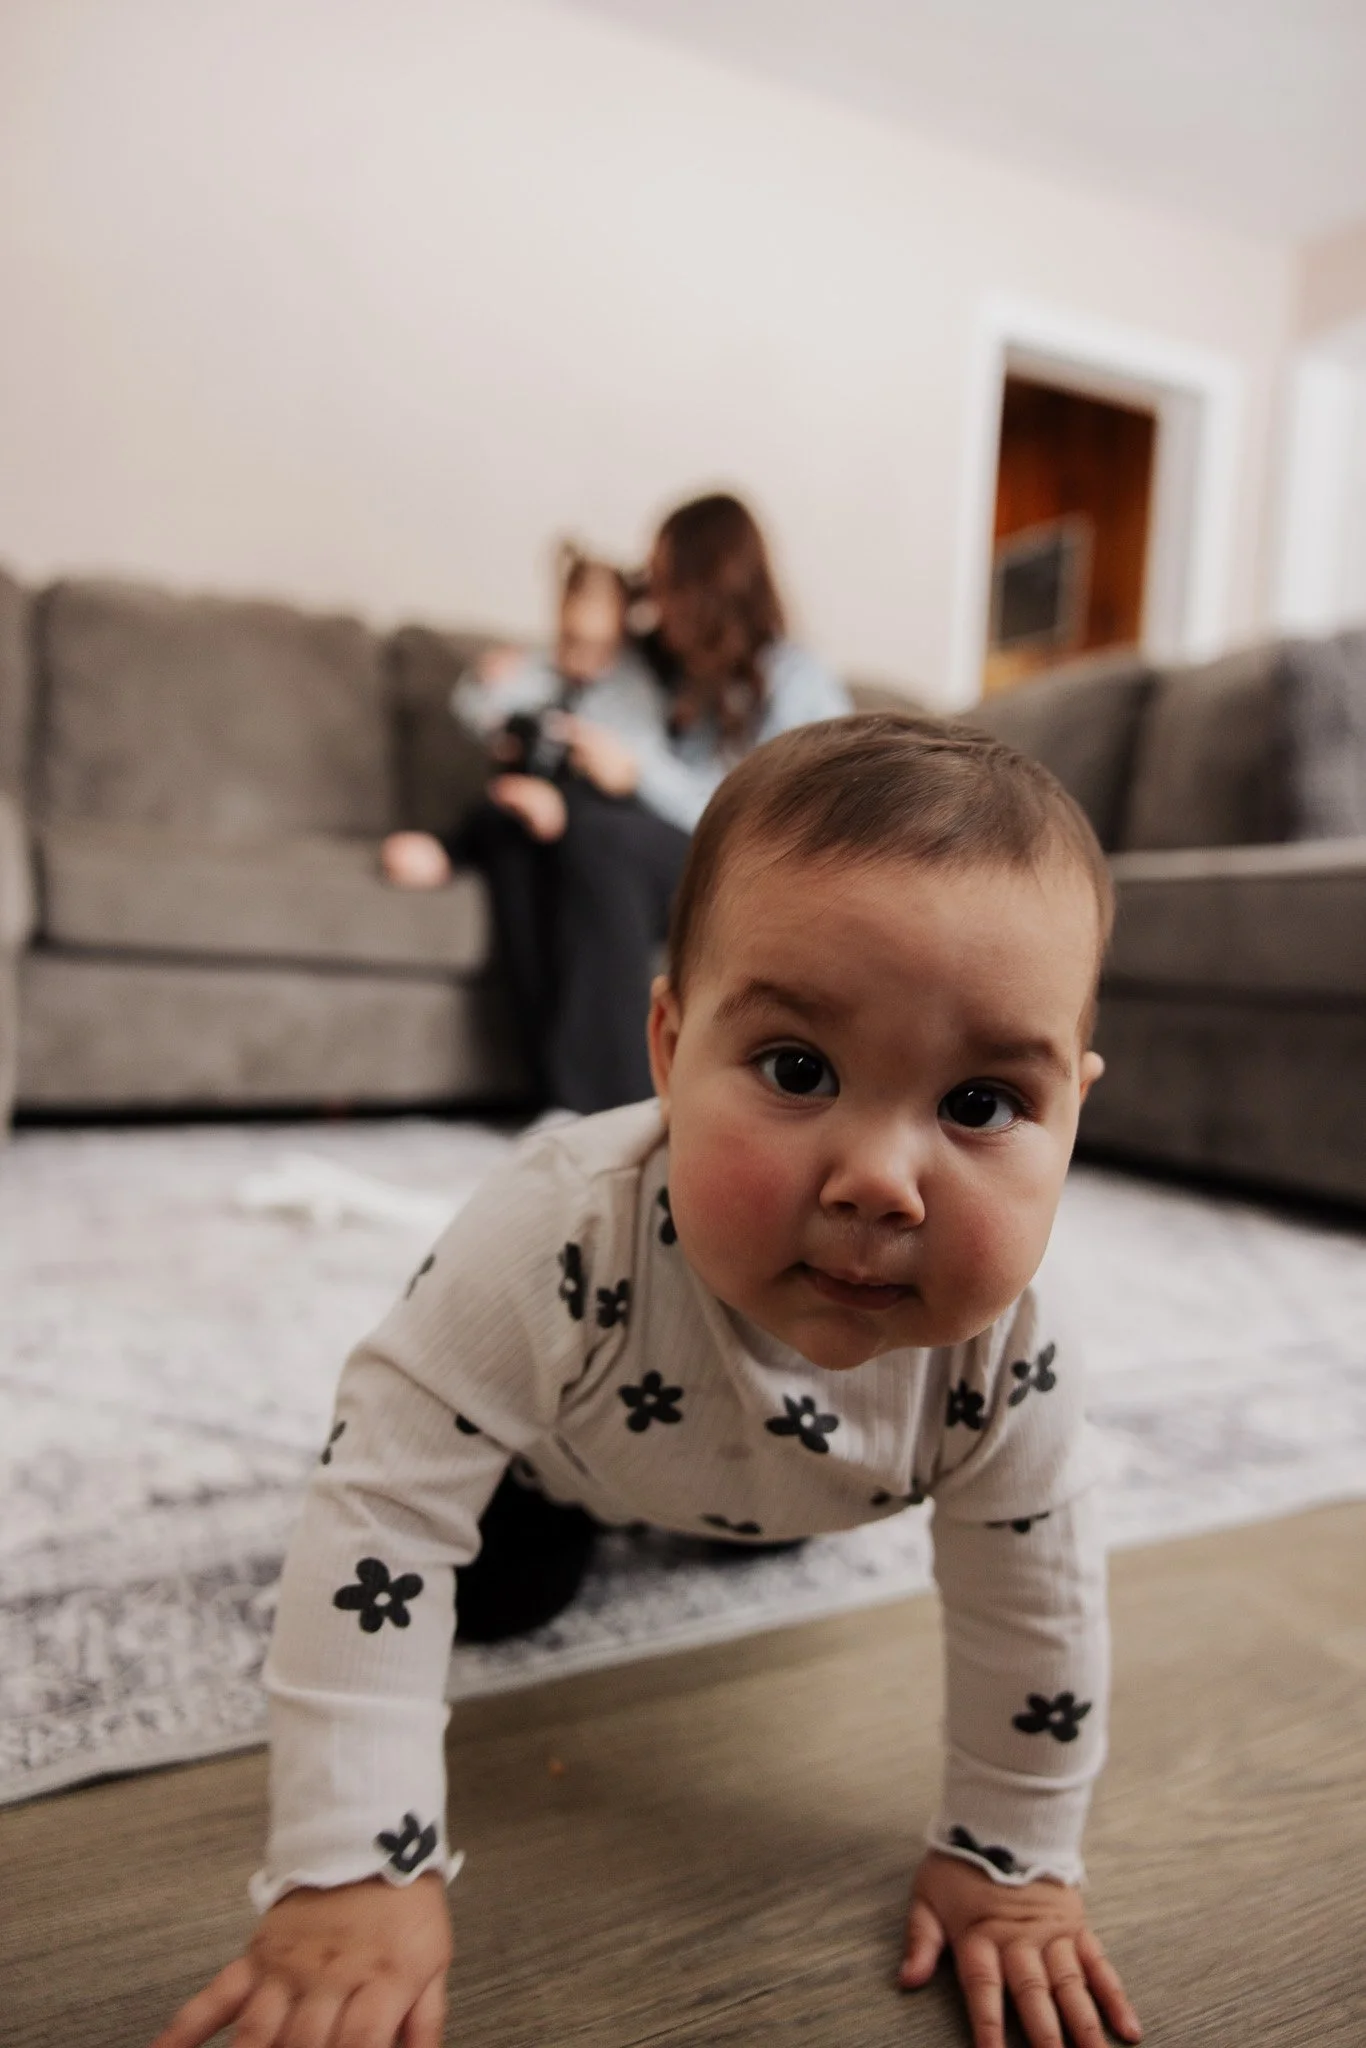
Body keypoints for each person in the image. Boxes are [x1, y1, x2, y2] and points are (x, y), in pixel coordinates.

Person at [153, 713, 1144, 2048]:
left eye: (979, 1106)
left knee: (768, 1536)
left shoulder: (1016, 1344)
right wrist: (350, 1867)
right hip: (557, 1457)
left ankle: (735, 1507)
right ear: (668, 1050)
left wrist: (1014, 1858)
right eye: (796, 1071)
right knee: (500, 1592)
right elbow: (378, 1505)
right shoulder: (554, 1229)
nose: (880, 1183)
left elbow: (1036, 1607)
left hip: (793, 1474)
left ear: (1072, 1114)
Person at [385, 495, 849, 1114]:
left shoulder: (795, 681)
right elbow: (579, 659)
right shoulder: (665, 667)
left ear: (705, 583)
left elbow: (764, 816)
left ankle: (614, 1112)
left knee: (597, 834)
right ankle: (554, 1098)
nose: (653, 601)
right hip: (649, 850)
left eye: (665, 582)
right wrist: (509, 676)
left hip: (736, 863)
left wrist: (636, 773)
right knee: (531, 829)